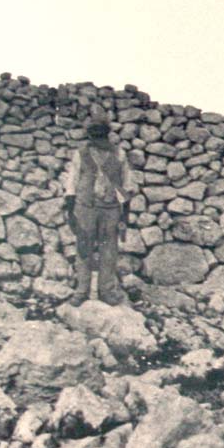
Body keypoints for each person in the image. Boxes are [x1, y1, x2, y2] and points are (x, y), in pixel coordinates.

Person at [61, 106, 134, 305]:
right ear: (89, 135)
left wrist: (124, 216)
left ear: (107, 135)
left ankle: (107, 291)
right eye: (93, 134)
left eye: (101, 134)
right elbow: (72, 183)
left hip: (110, 210)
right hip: (85, 208)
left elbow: (127, 186)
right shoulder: (81, 154)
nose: (97, 138)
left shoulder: (119, 155)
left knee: (109, 250)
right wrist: (70, 211)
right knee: (83, 248)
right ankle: (82, 290)